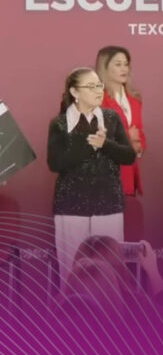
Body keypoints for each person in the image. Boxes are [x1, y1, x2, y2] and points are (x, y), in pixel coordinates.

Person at [47, 67, 136, 281]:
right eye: (91, 86)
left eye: (99, 85)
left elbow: (129, 156)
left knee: (111, 272)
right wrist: (89, 146)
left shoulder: (111, 118)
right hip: (71, 207)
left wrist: (105, 144)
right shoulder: (60, 123)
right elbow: (55, 163)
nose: (98, 91)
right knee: (72, 271)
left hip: (108, 205)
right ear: (75, 92)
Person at [96, 46, 146, 241]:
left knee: (127, 236)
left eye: (126, 64)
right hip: (107, 176)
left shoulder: (134, 100)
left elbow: (140, 133)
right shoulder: (98, 99)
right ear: (104, 67)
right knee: (106, 238)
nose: (124, 69)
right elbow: (97, 135)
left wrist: (138, 146)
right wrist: (127, 137)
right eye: (118, 64)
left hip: (129, 175)